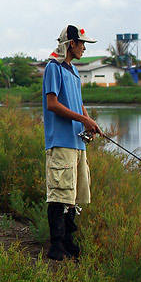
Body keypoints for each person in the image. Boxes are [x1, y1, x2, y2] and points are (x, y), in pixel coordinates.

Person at [43, 25, 102, 261]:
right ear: (71, 44)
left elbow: (79, 104)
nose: (84, 48)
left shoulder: (74, 71)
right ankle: (56, 247)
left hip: (78, 143)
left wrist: (89, 122)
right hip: (60, 142)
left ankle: (68, 243)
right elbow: (52, 104)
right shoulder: (53, 68)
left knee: (73, 197)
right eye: (82, 43)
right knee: (59, 196)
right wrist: (83, 119)